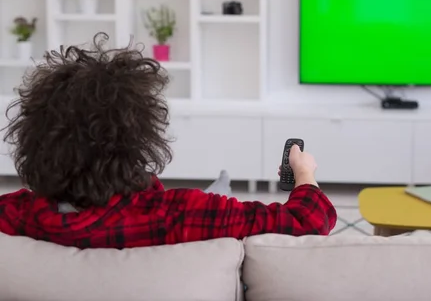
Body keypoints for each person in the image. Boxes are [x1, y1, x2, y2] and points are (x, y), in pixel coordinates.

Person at [0, 34, 336, 249]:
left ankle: (220, 187)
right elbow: (310, 220)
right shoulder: (183, 213)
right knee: (217, 197)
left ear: (34, 141)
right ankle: (221, 189)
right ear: (139, 138)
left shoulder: (14, 215)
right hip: (184, 208)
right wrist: (304, 172)